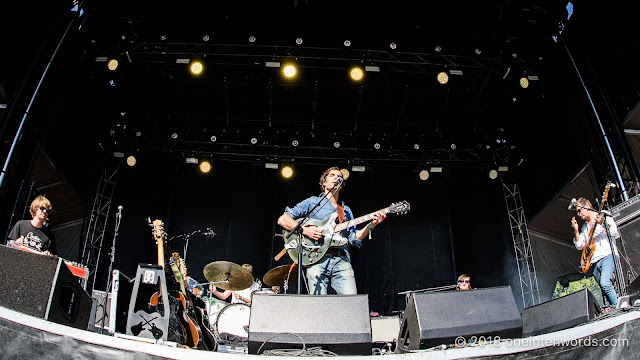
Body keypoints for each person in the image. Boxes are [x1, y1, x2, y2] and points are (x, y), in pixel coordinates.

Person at [277, 166, 386, 295]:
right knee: (319, 303)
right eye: (332, 175)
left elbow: (353, 237)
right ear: (324, 182)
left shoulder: (345, 210)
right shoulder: (312, 203)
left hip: (341, 260)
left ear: (341, 185)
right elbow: (283, 219)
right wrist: (305, 230)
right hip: (316, 259)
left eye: (339, 177)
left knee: (351, 301)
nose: (336, 178)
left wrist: (371, 226)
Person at [570, 197, 619, 308]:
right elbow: (579, 245)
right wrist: (576, 231)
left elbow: (614, 232)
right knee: (603, 289)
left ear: (586, 207)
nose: (578, 214)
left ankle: (618, 308)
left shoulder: (602, 214)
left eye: (579, 210)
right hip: (593, 261)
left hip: (607, 255)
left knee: (605, 283)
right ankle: (612, 308)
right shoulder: (585, 226)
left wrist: (602, 223)